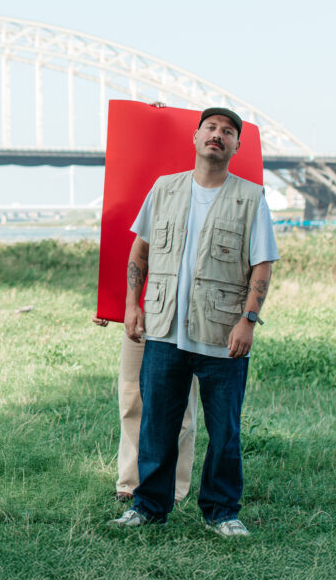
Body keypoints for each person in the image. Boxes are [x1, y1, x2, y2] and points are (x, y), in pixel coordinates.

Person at [108, 107, 278, 537]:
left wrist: (248, 321)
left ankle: (222, 512)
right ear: (196, 137)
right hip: (164, 330)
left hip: (222, 334)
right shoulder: (164, 189)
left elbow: (262, 265)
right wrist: (132, 305)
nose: (218, 135)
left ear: (237, 146)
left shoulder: (250, 198)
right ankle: (149, 507)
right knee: (157, 426)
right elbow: (140, 251)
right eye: (211, 128)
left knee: (225, 431)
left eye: (228, 131)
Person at [93, 316, 199, 503]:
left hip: (181, 320)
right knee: (130, 398)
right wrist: (108, 309)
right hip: (140, 319)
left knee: (181, 402)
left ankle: (174, 485)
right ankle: (130, 482)